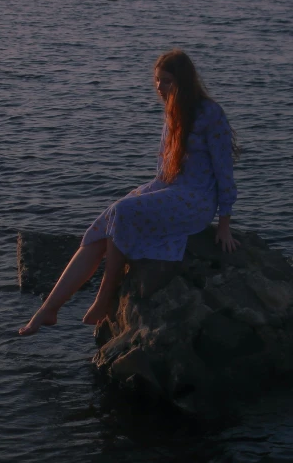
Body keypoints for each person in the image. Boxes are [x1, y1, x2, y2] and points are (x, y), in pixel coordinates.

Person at [18, 49, 239, 336]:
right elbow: (164, 174)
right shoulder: (172, 112)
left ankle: (104, 295)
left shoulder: (211, 114)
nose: (160, 87)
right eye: (157, 80)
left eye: (167, 81)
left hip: (197, 200)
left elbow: (224, 171)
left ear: (183, 81)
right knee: (104, 224)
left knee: (123, 212)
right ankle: (49, 309)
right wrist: (143, 196)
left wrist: (224, 224)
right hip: (168, 189)